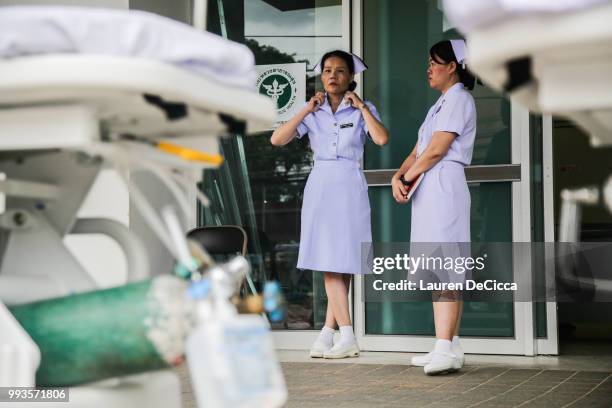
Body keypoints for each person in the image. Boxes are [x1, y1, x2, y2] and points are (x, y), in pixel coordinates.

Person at [271, 50, 389, 358]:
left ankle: (340, 334)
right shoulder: (314, 110)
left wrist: (362, 107)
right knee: (328, 258)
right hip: (321, 184)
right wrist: (306, 109)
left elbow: (381, 139)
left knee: (343, 258)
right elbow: (277, 140)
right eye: (327, 71)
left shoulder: (362, 109)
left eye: (339, 71)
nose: (332, 75)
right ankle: (333, 333)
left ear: (351, 78)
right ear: (321, 77)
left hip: (350, 183)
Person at [391, 39, 476, 374]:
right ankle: (449, 345)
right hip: (429, 184)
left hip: (443, 183)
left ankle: (445, 346)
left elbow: (438, 149)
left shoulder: (460, 99)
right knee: (436, 264)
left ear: (452, 65)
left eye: (433, 62)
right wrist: (399, 175)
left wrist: (409, 179)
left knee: (446, 266)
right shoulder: (439, 105)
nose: (428, 68)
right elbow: (418, 149)